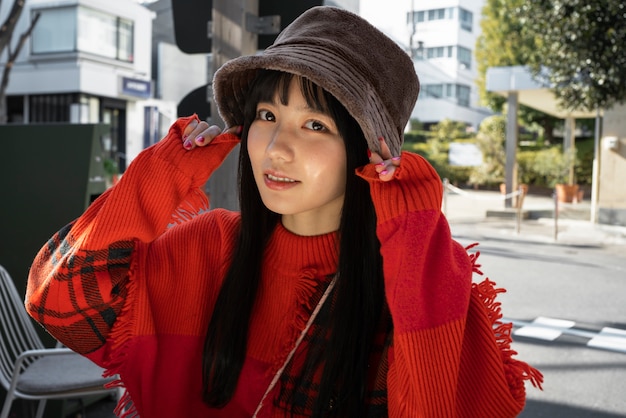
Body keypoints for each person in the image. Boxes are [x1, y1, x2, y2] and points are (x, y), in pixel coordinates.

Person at [26, 6, 541, 418]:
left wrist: (414, 237)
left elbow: (438, 403)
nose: (276, 148)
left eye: (315, 125)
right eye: (267, 115)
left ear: (369, 151)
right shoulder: (208, 245)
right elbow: (58, 301)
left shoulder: (421, 277)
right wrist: (162, 172)